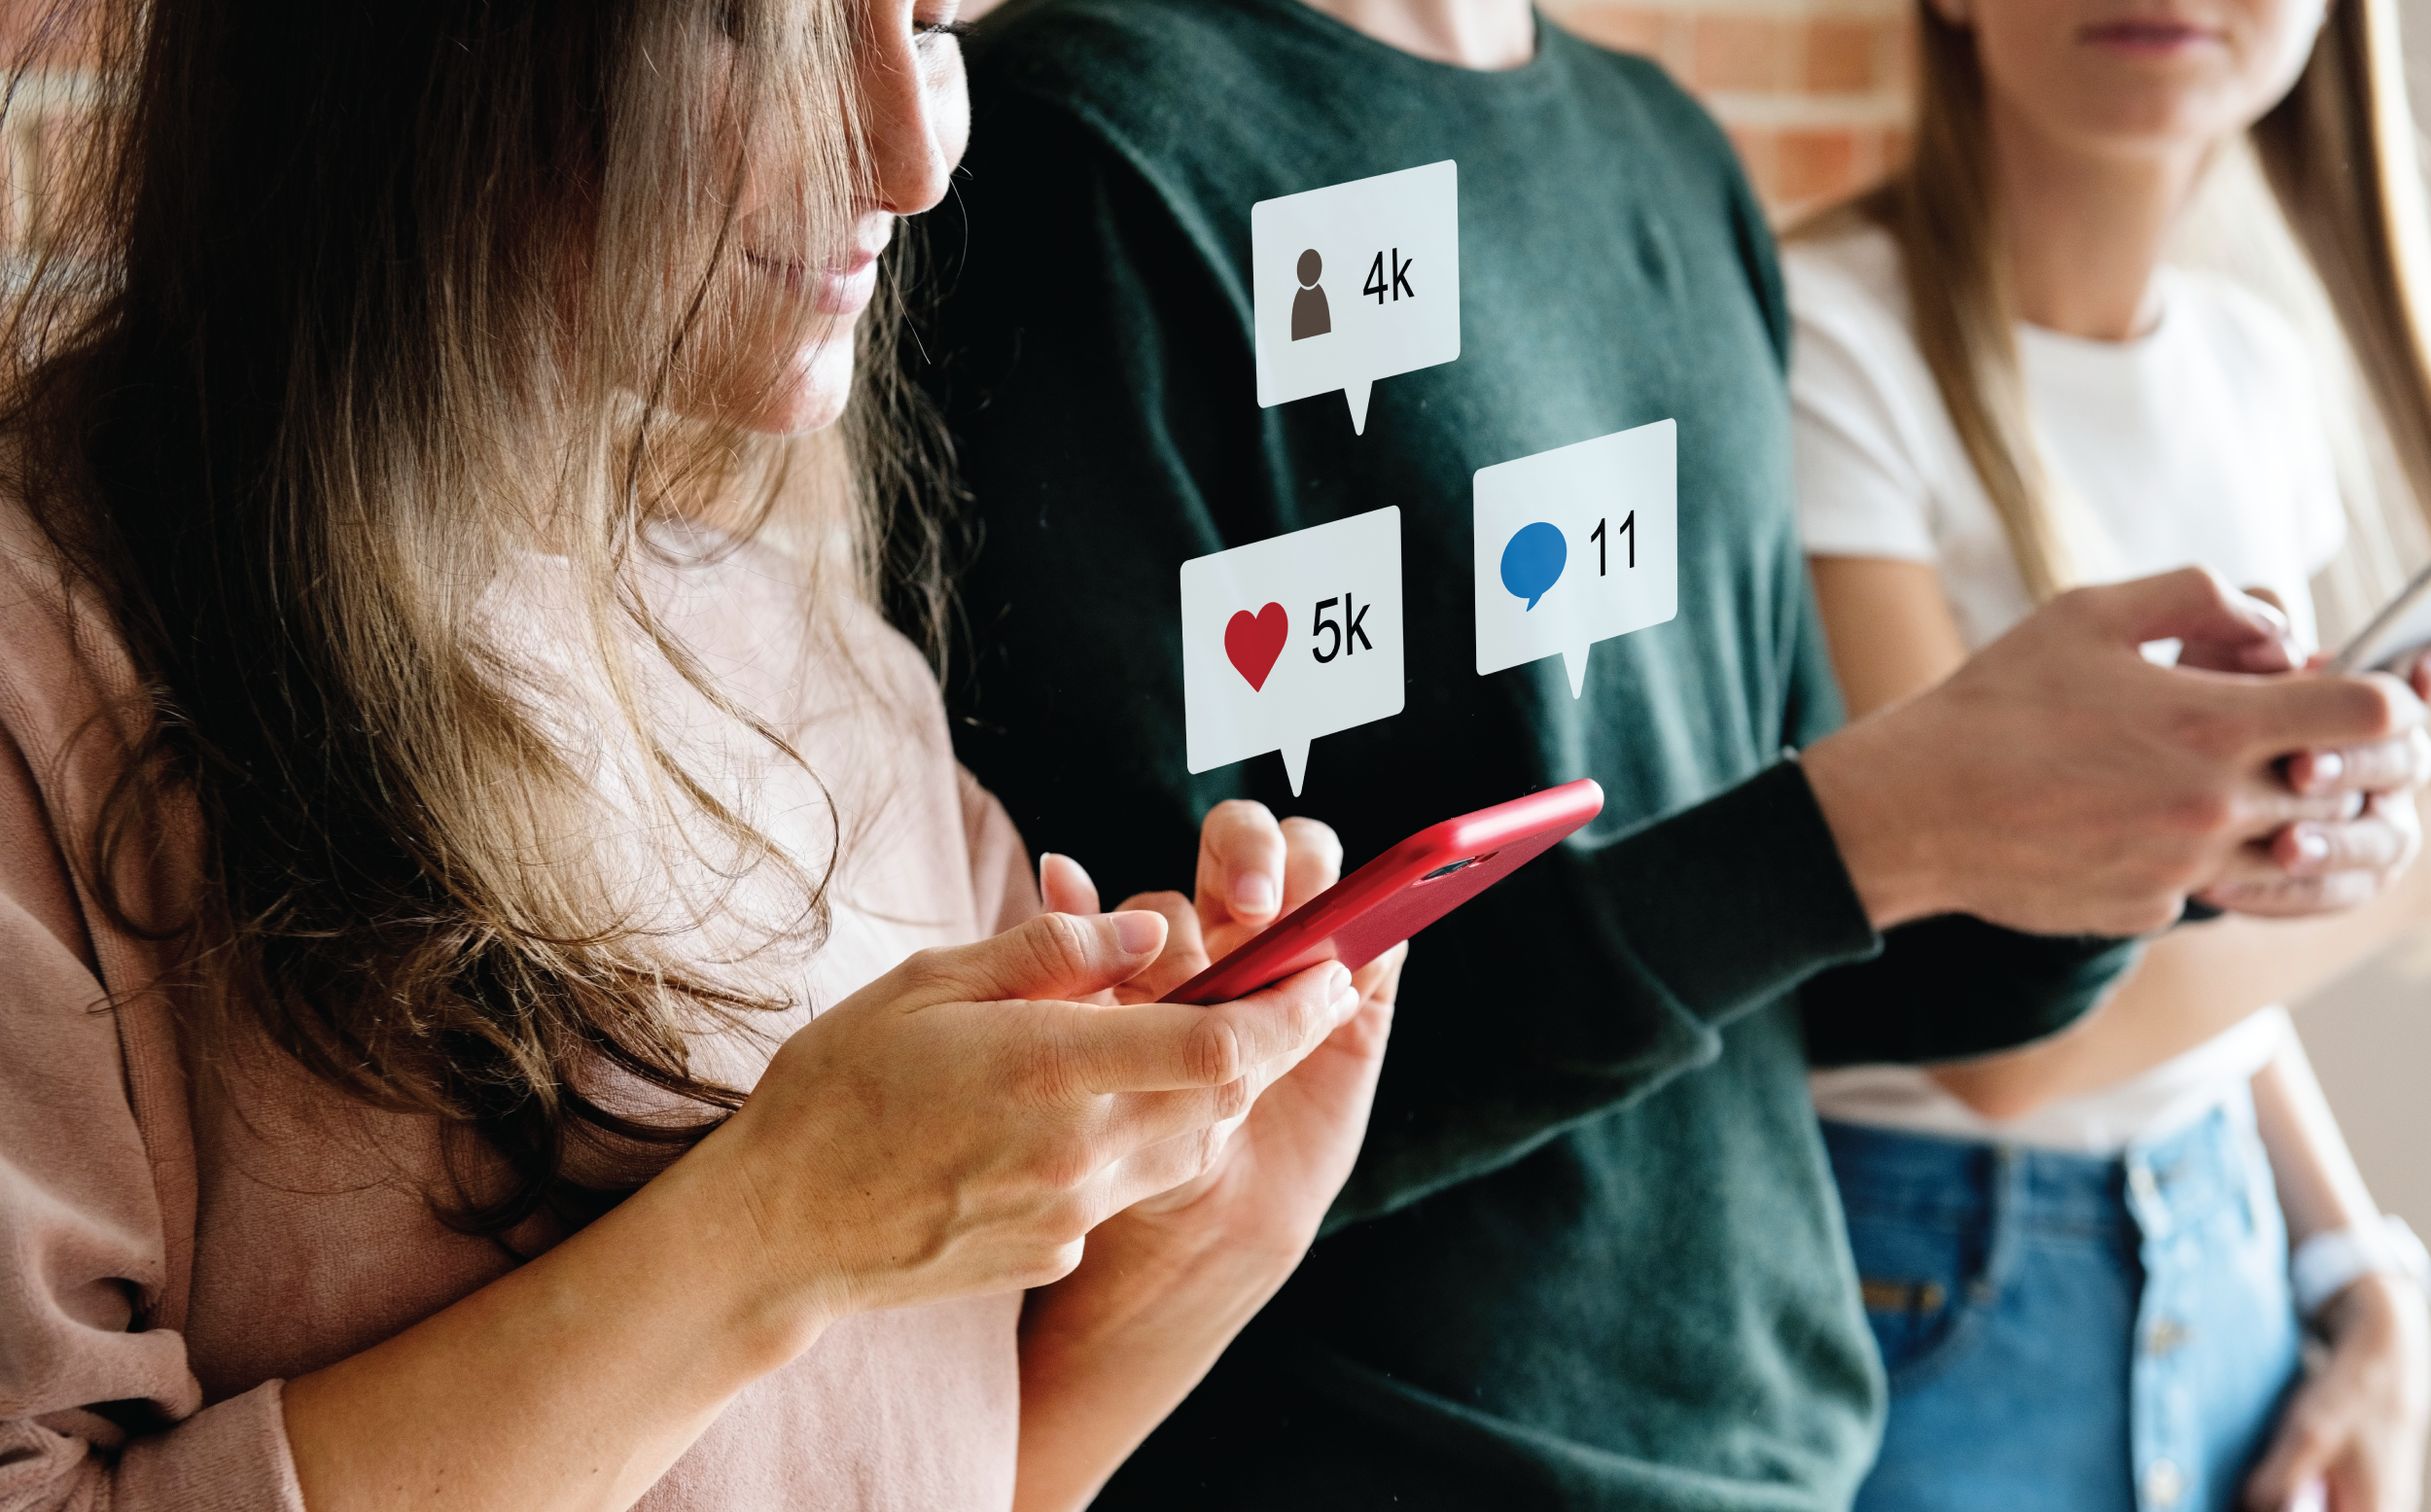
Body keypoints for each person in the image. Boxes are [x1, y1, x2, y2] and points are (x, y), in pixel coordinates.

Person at [916, 0, 2431, 1507]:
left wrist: (2157, 840)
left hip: (1782, 1450)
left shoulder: (1667, 155)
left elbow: (1805, 953)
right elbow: (1134, 1084)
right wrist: (1865, 829)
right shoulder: (1079, 148)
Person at [0, 2, 1407, 1509]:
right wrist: (779, 1225)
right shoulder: (48, 671)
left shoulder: (840, 676)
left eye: (929, 20)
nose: (914, 157)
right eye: (769, 26)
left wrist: (1204, 1247)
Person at [1784, 0, 2431, 1506]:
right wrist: (2404, 881)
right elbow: (2004, 1040)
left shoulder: (2260, 368)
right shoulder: (1825, 338)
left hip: (2229, 1240)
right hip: (1921, 1277)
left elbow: (2201, 931)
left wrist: (2363, 1271)